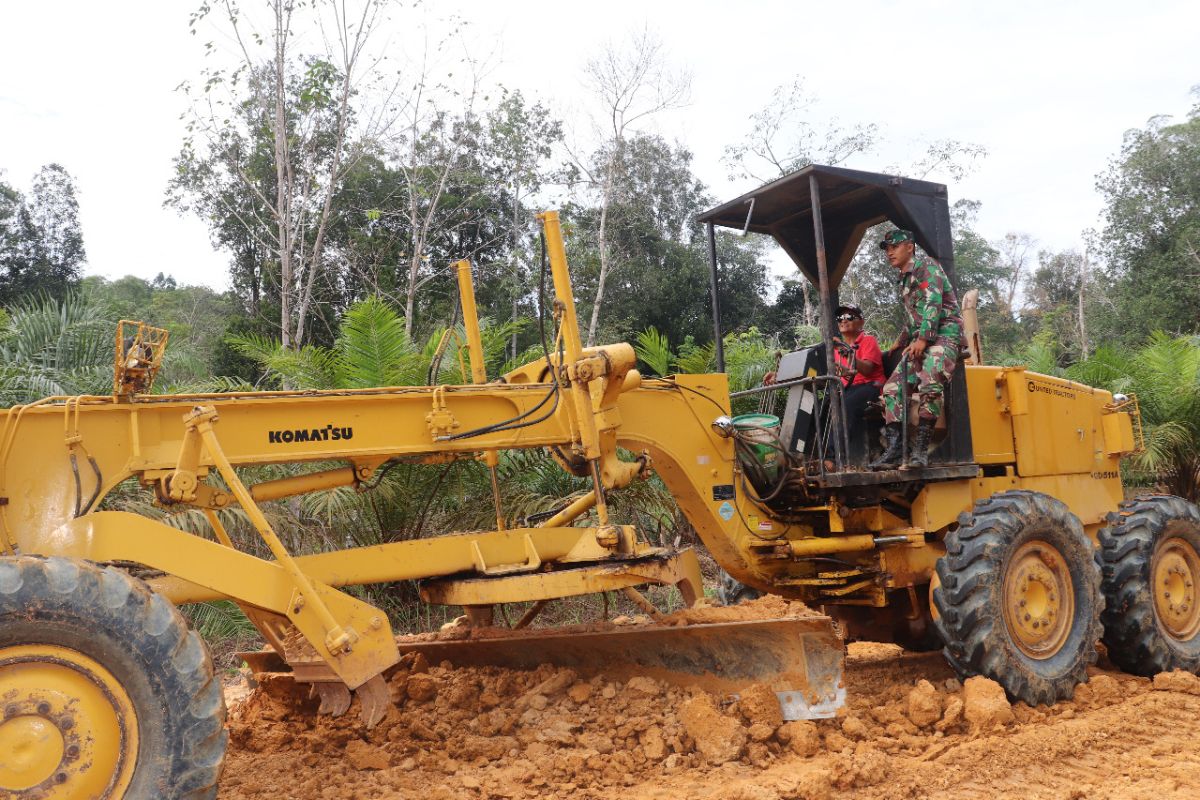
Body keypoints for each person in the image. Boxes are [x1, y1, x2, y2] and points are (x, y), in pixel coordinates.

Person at [869, 229, 964, 470]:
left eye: (894, 247)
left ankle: (921, 452)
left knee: (930, 382)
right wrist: (900, 340)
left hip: (944, 335)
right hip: (923, 337)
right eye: (887, 249)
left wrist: (922, 339)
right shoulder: (904, 278)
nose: (889, 252)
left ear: (909, 247)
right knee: (891, 389)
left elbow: (933, 303)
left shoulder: (926, 267)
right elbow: (914, 315)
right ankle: (896, 450)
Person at [830, 305, 884, 450]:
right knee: (823, 404)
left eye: (849, 317)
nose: (844, 320)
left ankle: (832, 458)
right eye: (840, 318)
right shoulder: (834, 349)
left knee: (846, 403)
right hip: (848, 389)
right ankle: (809, 455)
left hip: (872, 387)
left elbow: (867, 369)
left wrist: (845, 350)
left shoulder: (868, 341)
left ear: (861, 322)